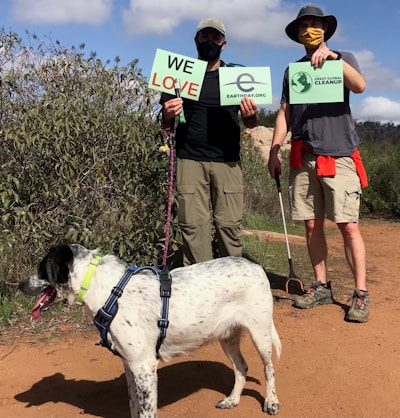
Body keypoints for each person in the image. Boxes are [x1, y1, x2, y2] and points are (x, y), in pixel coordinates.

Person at [268, 5, 370, 322]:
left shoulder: (343, 58)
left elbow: (360, 85)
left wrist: (335, 60)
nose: (309, 29)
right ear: (298, 34)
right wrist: (274, 149)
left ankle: (360, 293)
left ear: (324, 29)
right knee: (311, 224)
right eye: (304, 26)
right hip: (303, 155)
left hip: (339, 155)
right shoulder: (292, 71)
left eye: (315, 24)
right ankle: (321, 285)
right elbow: (285, 112)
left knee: (348, 226)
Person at [160, 18, 259, 266]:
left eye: (215, 38)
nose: (209, 42)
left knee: (230, 227)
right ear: (196, 40)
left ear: (223, 44)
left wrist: (250, 116)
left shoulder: (237, 75)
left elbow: (251, 124)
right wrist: (167, 113)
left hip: (228, 162)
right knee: (193, 229)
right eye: (204, 37)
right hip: (189, 160)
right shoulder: (178, 75)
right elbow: (165, 125)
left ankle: (234, 285)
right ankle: (198, 287)